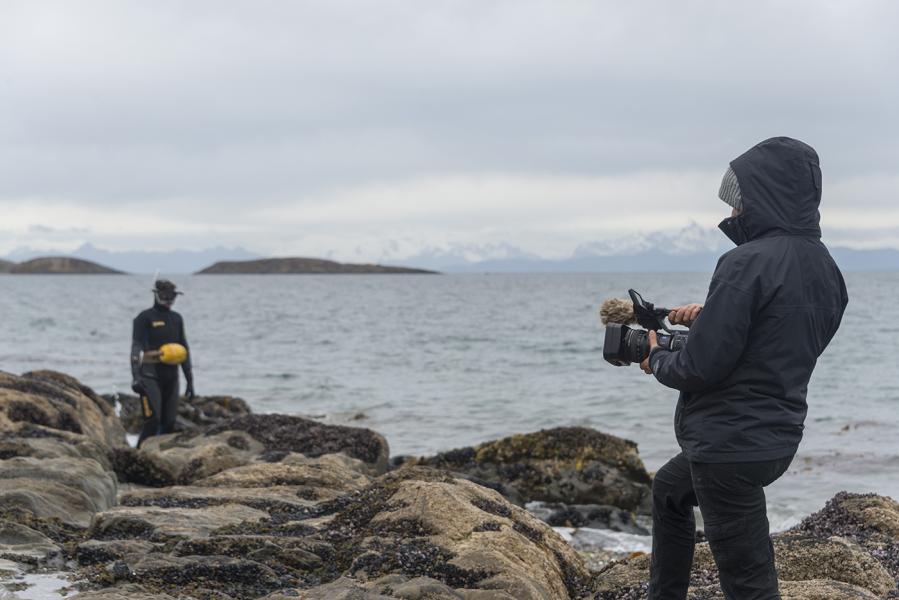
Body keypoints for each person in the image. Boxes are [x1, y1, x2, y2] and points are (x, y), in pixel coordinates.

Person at [639, 137, 848, 599]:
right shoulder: (827, 268)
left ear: (763, 197)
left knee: (749, 584)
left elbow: (699, 368)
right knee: (669, 491)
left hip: (728, 447)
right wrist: (710, 319)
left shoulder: (744, 263)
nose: (733, 212)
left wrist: (656, 357)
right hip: (775, 438)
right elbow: (777, 343)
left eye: (739, 201)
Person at [131, 279, 196, 447]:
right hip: (149, 376)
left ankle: (158, 455)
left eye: (173, 297)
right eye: (165, 296)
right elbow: (136, 347)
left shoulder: (177, 319)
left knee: (169, 423)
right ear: (156, 295)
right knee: (153, 420)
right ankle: (137, 454)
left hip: (171, 377)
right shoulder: (144, 318)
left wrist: (190, 380)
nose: (169, 300)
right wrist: (136, 377)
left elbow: (184, 349)